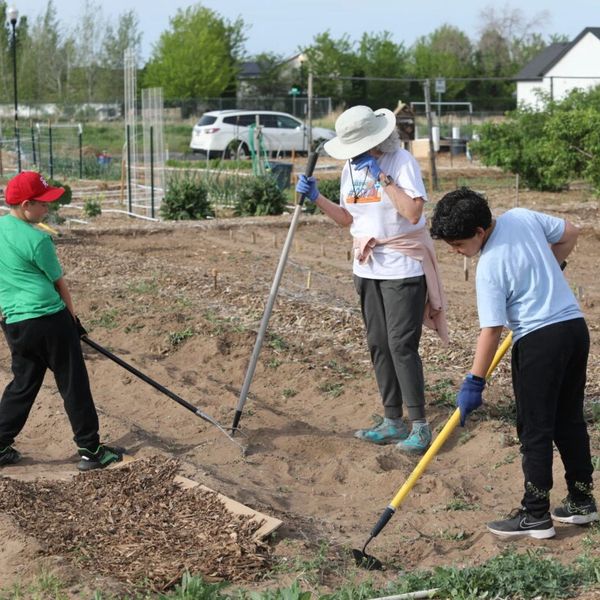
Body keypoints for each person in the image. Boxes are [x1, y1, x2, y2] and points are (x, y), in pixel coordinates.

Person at [430, 187, 597, 538]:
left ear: (479, 232)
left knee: (535, 429)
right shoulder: (521, 217)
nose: (458, 253)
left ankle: (535, 514)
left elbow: (491, 331)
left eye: (459, 246)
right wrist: (552, 268)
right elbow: (571, 233)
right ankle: (582, 501)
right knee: (568, 419)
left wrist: (475, 382)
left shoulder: (489, 266)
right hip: (573, 329)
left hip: (539, 342)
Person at [296, 105, 448, 454]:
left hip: (402, 266)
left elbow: (412, 212)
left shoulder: (400, 162)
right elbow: (348, 219)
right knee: (378, 342)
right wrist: (316, 197)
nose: (357, 153)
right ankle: (392, 419)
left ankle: (420, 425)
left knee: (401, 344)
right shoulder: (351, 166)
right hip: (366, 267)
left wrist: (382, 177)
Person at [0, 171, 123, 471]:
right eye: (43, 204)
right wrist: (73, 320)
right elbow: (59, 284)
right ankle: (91, 450)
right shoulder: (38, 240)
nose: (48, 209)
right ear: (27, 204)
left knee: (24, 384)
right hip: (49, 318)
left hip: (15, 323)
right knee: (73, 383)